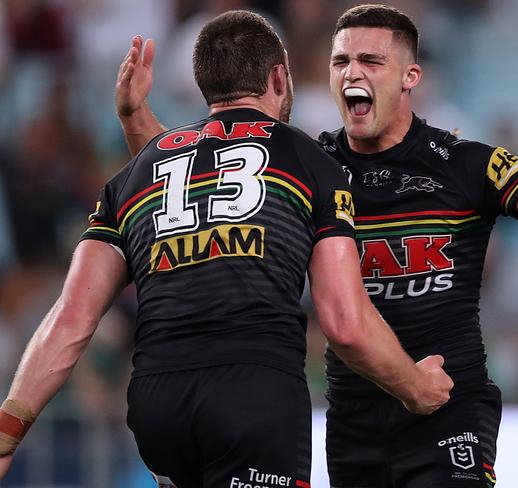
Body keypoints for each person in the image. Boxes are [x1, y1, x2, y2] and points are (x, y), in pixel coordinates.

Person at [113, 4, 518, 488]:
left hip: (446, 408)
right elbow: (185, 189)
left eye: (371, 61)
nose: (352, 73)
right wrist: (138, 119)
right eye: (341, 61)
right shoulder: (304, 168)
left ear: (410, 76)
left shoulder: (464, 166)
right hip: (352, 421)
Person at [0, 10, 455, 487]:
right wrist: (414, 386)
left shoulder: (133, 176)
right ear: (279, 76)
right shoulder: (310, 161)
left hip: (159, 406)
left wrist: (8, 433)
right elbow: (344, 323)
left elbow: (72, 318)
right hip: (253, 398)